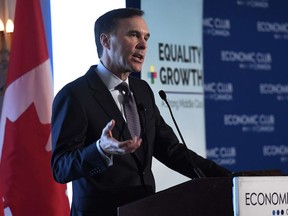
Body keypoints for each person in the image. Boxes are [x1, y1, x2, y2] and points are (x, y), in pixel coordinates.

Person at [51, 8, 231, 216]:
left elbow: (171, 150)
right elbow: (61, 167)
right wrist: (100, 149)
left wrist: (229, 179)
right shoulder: (75, 95)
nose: (143, 45)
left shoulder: (142, 90)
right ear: (106, 41)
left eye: (146, 37)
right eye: (133, 35)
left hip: (144, 210)